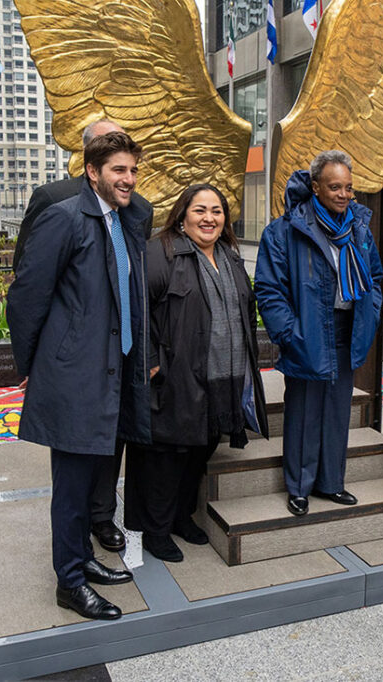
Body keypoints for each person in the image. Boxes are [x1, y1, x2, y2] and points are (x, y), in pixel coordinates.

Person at [7, 131, 151, 620]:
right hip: (74, 375)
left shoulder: (124, 220)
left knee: (93, 479)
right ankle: (69, 582)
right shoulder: (63, 219)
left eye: (132, 170)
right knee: (70, 487)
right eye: (118, 170)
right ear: (92, 172)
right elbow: (26, 297)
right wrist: (36, 368)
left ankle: (83, 559)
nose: (129, 179)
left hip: (112, 370)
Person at [126, 184, 268, 562]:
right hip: (175, 375)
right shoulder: (161, 253)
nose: (209, 218)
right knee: (167, 455)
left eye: (217, 211)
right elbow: (135, 308)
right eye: (200, 210)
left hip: (222, 375)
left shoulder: (230, 256)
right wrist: (150, 359)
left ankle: (181, 517)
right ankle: (156, 530)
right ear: (182, 215)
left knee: (199, 449)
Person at [255, 150, 383, 517]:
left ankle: (331, 483)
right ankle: (299, 488)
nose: (343, 195)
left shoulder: (357, 227)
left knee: (337, 412)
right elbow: (269, 289)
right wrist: (290, 334)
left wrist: (370, 316)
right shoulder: (285, 229)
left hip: (346, 330)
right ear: (315, 187)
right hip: (307, 332)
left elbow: (374, 277)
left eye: (348, 188)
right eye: (334, 187)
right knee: (304, 414)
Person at [13, 119, 153, 272]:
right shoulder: (53, 199)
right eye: (107, 144)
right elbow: (28, 272)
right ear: (88, 154)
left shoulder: (141, 209)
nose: (117, 149)